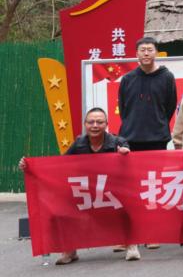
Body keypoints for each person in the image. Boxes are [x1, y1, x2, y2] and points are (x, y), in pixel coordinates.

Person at [19, 108, 134, 264]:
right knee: (60, 210)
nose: (95, 125)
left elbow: (131, 163)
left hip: (112, 193)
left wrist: (125, 154)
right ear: (85, 124)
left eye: (99, 122)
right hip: (86, 193)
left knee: (128, 206)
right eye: (91, 122)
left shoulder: (117, 142)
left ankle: (131, 244)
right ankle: (70, 250)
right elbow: (60, 165)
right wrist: (30, 167)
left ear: (106, 124)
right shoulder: (78, 144)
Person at [118, 36, 177, 152]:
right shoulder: (127, 79)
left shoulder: (167, 77)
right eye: (142, 50)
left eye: (150, 50)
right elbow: (123, 108)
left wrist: (159, 122)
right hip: (131, 137)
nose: (146, 54)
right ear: (137, 54)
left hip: (158, 138)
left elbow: (170, 106)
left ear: (156, 53)